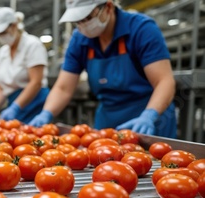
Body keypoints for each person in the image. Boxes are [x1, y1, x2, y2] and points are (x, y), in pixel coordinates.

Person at [29, 0, 177, 138]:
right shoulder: (79, 39)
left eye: (88, 17)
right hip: (109, 116)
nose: (83, 24)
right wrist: (46, 113)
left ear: (108, 7)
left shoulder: (141, 29)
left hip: (147, 115)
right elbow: (63, 88)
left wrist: (149, 115)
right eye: (78, 21)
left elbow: (164, 81)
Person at [0, 7, 50, 123]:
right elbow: (1, 87)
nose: (1, 37)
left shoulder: (32, 45)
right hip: (14, 102)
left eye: (3, 32)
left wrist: (15, 107)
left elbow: (36, 82)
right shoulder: (3, 52)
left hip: (34, 102)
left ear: (14, 26)